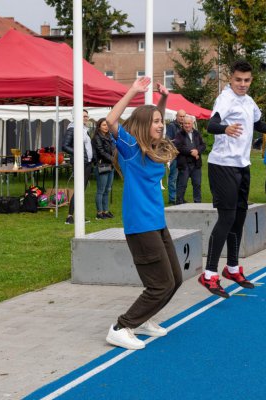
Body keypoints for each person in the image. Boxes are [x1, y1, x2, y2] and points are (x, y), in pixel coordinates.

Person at [198, 60, 266, 298]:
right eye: (238, 80)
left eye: (246, 80)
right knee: (226, 218)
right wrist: (224, 129)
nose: (242, 84)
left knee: (239, 217)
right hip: (222, 165)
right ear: (231, 79)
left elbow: (259, 125)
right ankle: (209, 274)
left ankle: (233, 268)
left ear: (251, 80)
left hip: (242, 166)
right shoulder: (225, 98)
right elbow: (212, 124)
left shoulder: (248, 101)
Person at [104, 77, 182, 351]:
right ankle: (122, 326)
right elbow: (111, 120)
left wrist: (163, 99)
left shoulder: (154, 149)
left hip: (157, 223)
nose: (161, 125)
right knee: (160, 284)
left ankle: (143, 318)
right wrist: (133, 91)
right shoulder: (131, 149)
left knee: (175, 280)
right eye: (156, 121)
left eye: (162, 121)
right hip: (140, 226)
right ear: (143, 125)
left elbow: (154, 116)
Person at [62, 109, 93, 225]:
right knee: (79, 190)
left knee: (82, 190)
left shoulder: (84, 130)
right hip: (80, 162)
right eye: (84, 116)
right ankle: (70, 216)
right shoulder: (72, 128)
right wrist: (79, 153)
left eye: (87, 116)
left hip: (87, 163)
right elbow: (64, 146)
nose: (86, 118)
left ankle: (79, 215)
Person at [175, 115, 206, 204]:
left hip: (196, 164)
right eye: (185, 123)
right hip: (184, 164)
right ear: (182, 124)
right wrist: (190, 152)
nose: (187, 125)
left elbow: (203, 145)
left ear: (192, 124)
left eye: (189, 123)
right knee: (182, 185)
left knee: (197, 184)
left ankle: (198, 202)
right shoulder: (179, 134)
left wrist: (197, 151)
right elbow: (178, 146)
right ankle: (179, 202)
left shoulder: (197, 133)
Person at [92, 117, 116, 219]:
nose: (106, 127)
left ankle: (106, 211)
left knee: (107, 189)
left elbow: (113, 148)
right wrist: (113, 159)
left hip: (111, 165)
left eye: (107, 125)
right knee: (101, 190)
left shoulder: (110, 136)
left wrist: (114, 159)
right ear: (99, 126)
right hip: (102, 166)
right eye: (104, 125)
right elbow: (101, 152)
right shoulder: (97, 137)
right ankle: (99, 212)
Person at [165, 109, 186, 204]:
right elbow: (168, 140)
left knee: (182, 178)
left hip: (184, 156)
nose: (182, 118)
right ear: (176, 116)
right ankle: (172, 198)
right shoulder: (171, 126)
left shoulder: (186, 126)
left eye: (183, 116)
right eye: (180, 116)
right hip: (175, 156)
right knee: (173, 177)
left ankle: (179, 198)